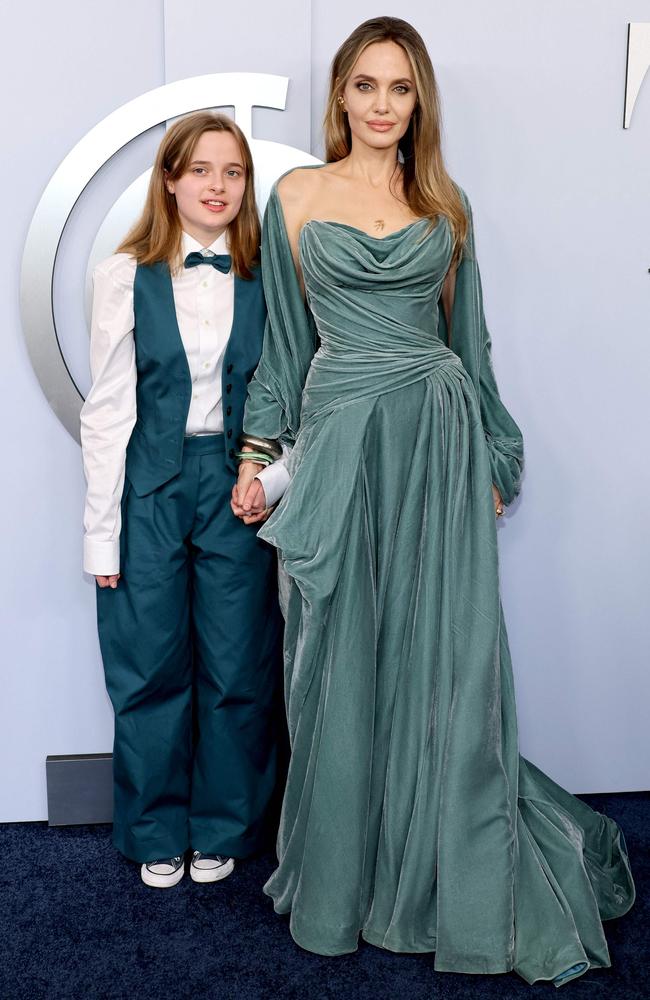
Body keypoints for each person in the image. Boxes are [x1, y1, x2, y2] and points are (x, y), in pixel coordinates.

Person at [231, 16, 635, 986]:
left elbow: (470, 342)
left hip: (437, 443)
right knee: (332, 658)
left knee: (442, 661)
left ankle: (438, 862)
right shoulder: (293, 194)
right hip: (338, 444)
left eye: (398, 88)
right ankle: (342, 875)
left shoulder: (444, 204)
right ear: (339, 96)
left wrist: (494, 451)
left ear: (418, 102)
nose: (379, 104)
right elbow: (284, 350)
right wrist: (257, 455)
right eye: (364, 85)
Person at [81, 111, 285, 888]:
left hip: (237, 486)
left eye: (232, 172)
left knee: (237, 665)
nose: (217, 186)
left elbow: (292, 394)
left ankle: (224, 824)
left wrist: (271, 477)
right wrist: (101, 536)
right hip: (150, 484)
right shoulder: (123, 274)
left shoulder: (272, 276)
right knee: (148, 665)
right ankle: (154, 828)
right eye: (200, 169)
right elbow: (104, 410)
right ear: (169, 179)